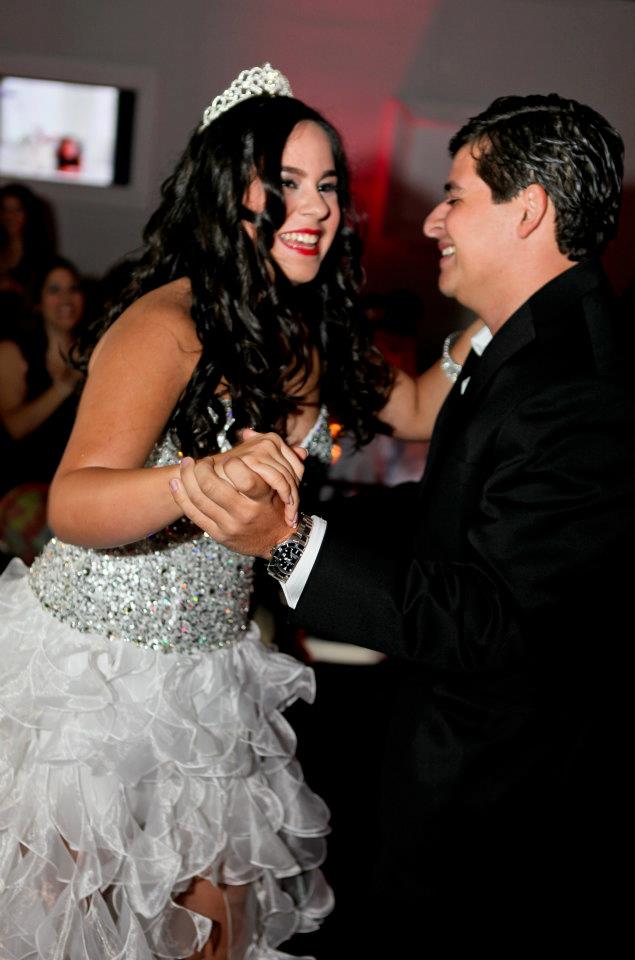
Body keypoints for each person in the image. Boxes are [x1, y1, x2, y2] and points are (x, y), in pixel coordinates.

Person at [0, 65, 475, 960]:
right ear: (230, 192)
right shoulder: (168, 320)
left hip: (209, 681)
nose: (317, 206)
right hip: (93, 680)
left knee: (220, 935)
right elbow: (72, 499)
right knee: (70, 928)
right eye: (286, 184)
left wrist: (491, 313)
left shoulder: (302, 330)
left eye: (328, 185)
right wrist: (196, 480)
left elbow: (414, 409)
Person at [169, 93, 635, 952]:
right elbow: (460, 509)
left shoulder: (577, 387)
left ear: (527, 208)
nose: (432, 222)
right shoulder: (531, 343)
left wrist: (287, 543)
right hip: (402, 736)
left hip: (495, 793)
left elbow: (493, 617)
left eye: (455, 195)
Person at [0, 256, 83, 563]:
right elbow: (15, 426)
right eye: (54, 290)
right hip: (20, 488)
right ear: (37, 301)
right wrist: (63, 386)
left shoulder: (93, 351)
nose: (66, 299)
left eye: (73, 289)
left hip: (70, 486)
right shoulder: (13, 351)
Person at [0, 182, 56, 302]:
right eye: (5, 209)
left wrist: (13, 287)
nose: (10, 216)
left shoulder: (40, 254)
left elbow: (43, 297)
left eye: (17, 210)